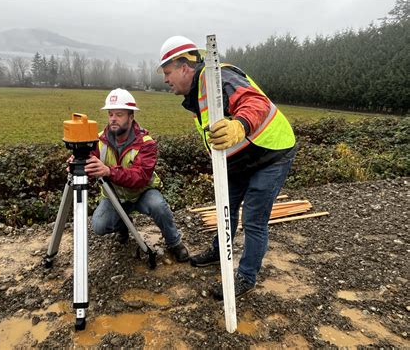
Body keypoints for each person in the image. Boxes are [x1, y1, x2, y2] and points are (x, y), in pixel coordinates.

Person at [158, 36, 296, 299]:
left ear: (185, 66)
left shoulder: (220, 76)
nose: (165, 79)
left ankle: (245, 277)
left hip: (271, 153)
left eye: (168, 72)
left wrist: (239, 126)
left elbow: (256, 103)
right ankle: (219, 252)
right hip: (238, 160)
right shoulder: (197, 92)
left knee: (254, 219)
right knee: (226, 207)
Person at [84, 88, 189, 262]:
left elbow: (140, 177)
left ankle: (174, 243)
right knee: (99, 225)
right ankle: (124, 225)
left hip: (142, 193)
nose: (113, 119)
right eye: (110, 114)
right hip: (114, 196)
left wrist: (109, 171)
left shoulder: (146, 143)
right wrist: (77, 163)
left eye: (119, 114)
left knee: (159, 207)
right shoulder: (98, 140)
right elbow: (89, 164)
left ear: (131, 117)